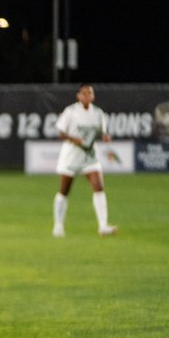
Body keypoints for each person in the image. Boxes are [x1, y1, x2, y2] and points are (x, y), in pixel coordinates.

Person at [53, 83, 118, 237]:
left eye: (89, 93)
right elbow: (60, 132)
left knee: (99, 187)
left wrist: (105, 136)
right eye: (83, 93)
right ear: (78, 96)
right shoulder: (71, 111)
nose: (87, 96)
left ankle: (103, 226)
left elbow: (101, 133)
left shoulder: (98, 113)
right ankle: (58, 225)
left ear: (93, 96)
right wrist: (74, 140)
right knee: (64, 191)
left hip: (89, 156)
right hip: (71, 157)